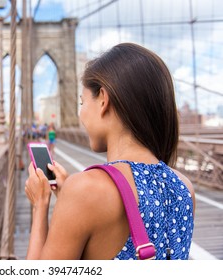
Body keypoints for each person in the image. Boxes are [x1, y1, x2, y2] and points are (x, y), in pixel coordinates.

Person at [24, 43, 195, 260]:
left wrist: (40, 205)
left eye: (82, 101)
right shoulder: (184, 188)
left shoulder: (85, 190)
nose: (81, 113)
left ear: (103, 100)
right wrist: (67, 196)